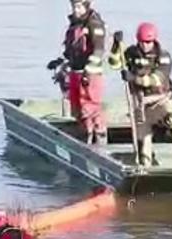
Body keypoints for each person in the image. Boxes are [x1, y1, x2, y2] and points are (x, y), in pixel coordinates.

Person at [109, 22, 172, 167]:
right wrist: (115, 46)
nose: (146, 45)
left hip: (161, 101)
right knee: (143, 139)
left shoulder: (163, 56)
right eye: (143, 42)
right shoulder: (131, 53)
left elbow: (156, 80)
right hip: (141, 104)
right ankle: (146, 166)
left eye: (149, 42)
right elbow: (114, 63)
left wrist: (134, 78)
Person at [47, 0, 108, 144]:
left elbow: (99, 50)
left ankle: (98, 136)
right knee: (76, 106)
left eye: (79, 6)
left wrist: (88, 71)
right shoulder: (75, 24)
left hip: (90, 73)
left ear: (86, 6)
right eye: (74, 6)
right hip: (75, 70)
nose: (76, 10)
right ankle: (84, 134)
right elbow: (71, 48)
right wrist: (60, 60)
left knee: (90, 107)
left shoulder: (94, 24)